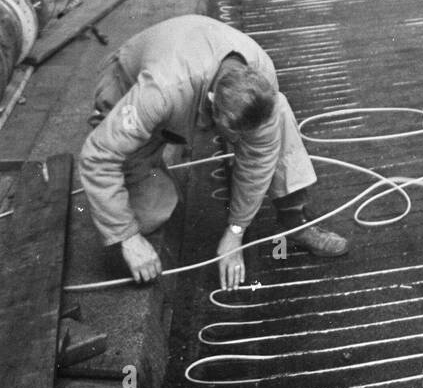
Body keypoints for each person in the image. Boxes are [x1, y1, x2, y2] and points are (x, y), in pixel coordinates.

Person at [79, 15, 348, 290]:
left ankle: (295, 220)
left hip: (186, 89)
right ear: (211, 103)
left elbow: (257, 161)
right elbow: (97, 156)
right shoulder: (160, 91)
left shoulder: (261, 76)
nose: (238, 143)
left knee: (280, 116)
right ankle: (149, 170)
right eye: (232, 134)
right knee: (148, 215)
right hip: (129, 89)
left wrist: (235, 232)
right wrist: (128, 237)